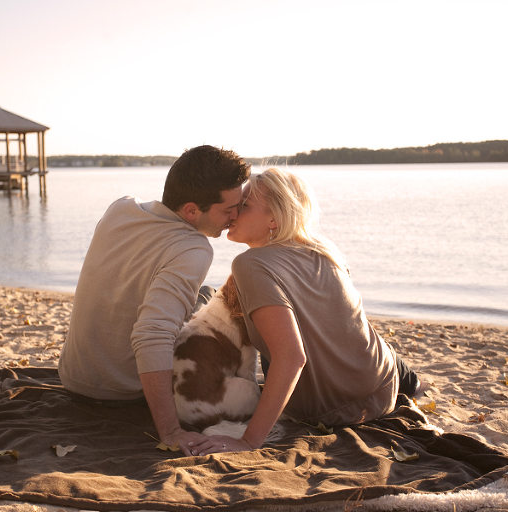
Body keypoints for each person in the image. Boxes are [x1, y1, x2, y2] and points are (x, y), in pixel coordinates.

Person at [188, 167, 420, 456]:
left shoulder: (249, 265)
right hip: (380, 385)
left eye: (244, 205)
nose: (233, 212)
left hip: (326, 411)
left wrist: (248, 441)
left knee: (208, 298)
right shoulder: (324, 249)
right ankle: (413, 383)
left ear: (274, 218)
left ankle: (412, 382)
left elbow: (291, 357)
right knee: (377, 347)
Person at [59, 145, 250, 456]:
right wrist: (171, 430)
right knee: (211, 305)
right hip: (119, 393)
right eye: (228, 210)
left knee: (204, 296)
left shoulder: (120, 208)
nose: (235, 216)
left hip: (73, 377)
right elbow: (153, 335)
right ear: (191, 210)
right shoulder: (194, 249)